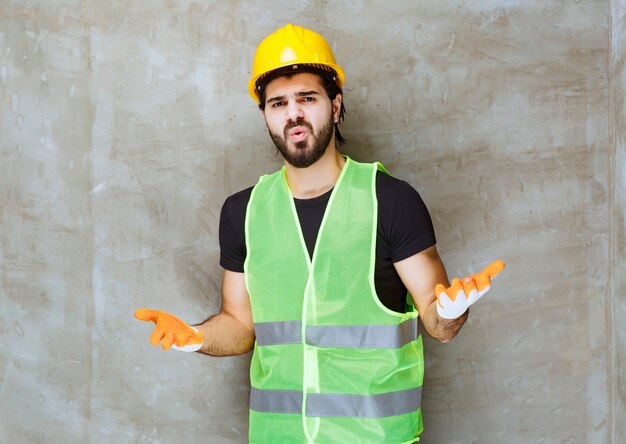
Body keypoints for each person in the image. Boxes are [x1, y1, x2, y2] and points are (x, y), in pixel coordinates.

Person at [135, 24, 505, 443]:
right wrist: (197, 336)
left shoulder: (391, 201)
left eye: (307, 98)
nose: (293, 114)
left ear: (335, 105)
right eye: (278, 103)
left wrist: (452, 311)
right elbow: (239, 323)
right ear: (265, 115)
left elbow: (436, 321)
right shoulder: (243, 211)